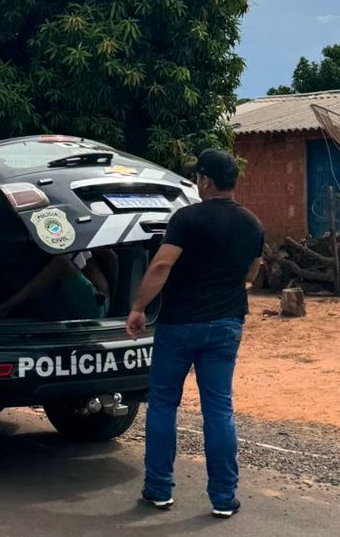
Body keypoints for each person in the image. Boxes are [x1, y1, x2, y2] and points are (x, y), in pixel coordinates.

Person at [124, 148, 264, 519]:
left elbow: (162, 264)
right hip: (226, 324)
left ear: (205, 180)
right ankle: (222, 498)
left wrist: (138, 308)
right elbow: (252, 274)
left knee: (163, 405)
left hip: (179, 325)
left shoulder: (186, 218)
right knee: (218, 410)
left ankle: (158, 490)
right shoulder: (253, 223)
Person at [0, 248, 116, 321]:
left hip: (96, 307)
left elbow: (112, 259)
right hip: (69, 303)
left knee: (61, 263)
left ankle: (4, 308)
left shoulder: (83, 229)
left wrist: (115, 311)